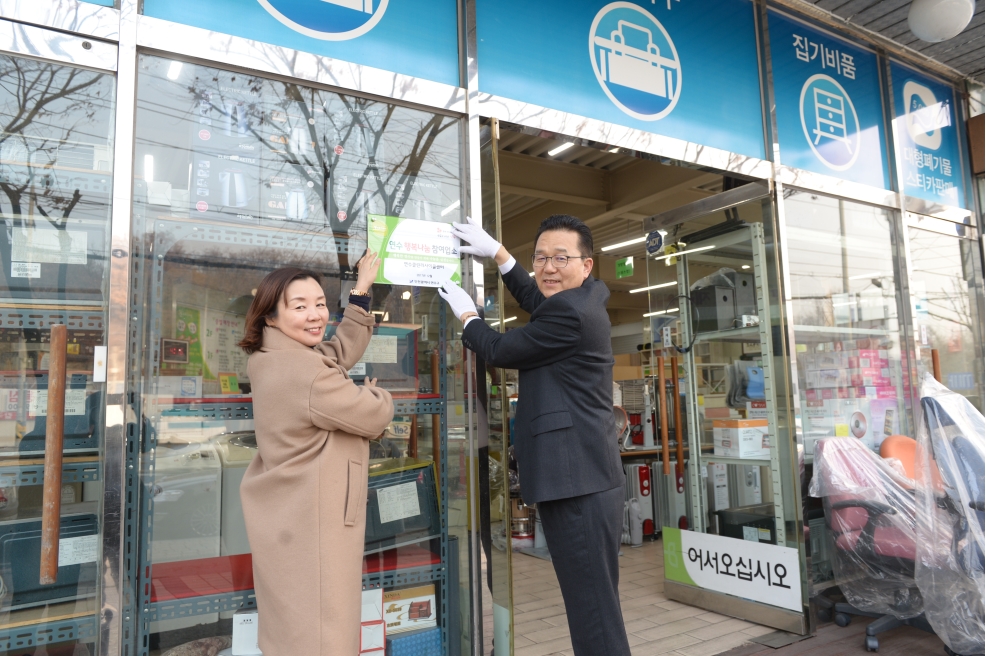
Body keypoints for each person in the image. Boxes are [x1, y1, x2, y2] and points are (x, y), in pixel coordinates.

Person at [438, 214, 631, 656]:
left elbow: (500, 349)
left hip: (578, 482)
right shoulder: (582, 299)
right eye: (540, 256)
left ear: (587, 264)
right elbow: (539, 297)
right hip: (585, 475)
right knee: (595, 605)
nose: (547, 267)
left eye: (560, 258)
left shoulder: (572, 313)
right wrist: (501, 256)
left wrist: (468, 316)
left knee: (593, 613)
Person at [237, 254, 394, 656]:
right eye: (299, 306)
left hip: (294, 517)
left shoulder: (272, 357)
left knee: (294, 628)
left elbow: (335, 353)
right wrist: (374, 393)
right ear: (270, 316)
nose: (315, 314)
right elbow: (372, 414)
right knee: (324, 633)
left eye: (320, 303)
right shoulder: (304, 373)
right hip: (314, 522)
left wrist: (359, 292)